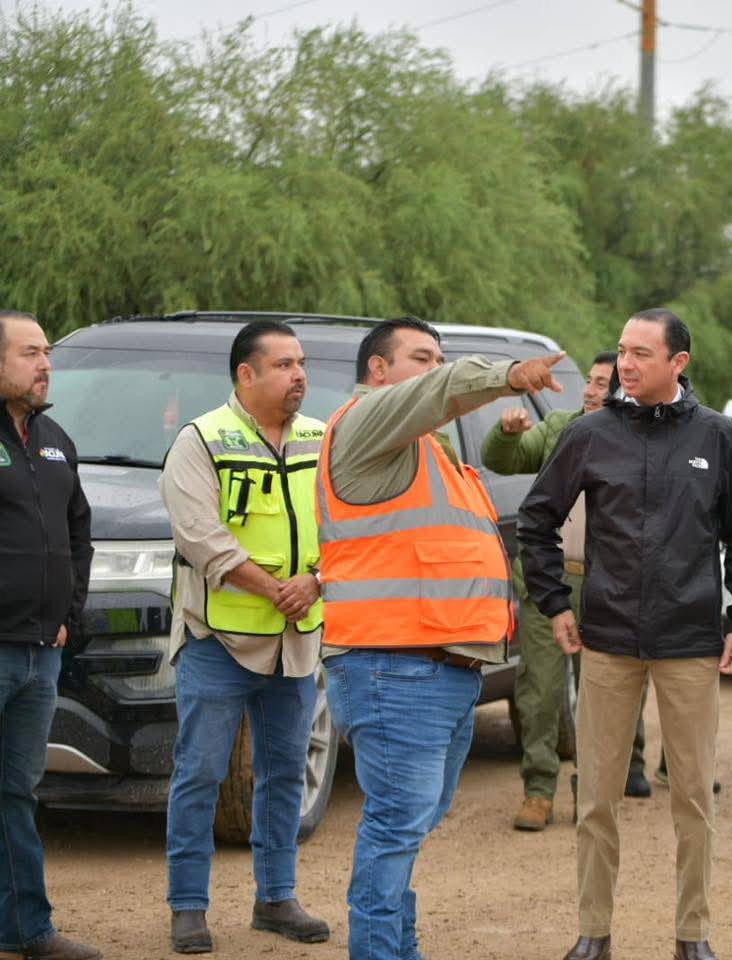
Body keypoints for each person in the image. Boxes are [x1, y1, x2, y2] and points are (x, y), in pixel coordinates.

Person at [518, 308, 732, 960]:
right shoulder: (590, 434)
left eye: (641, 354)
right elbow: (536, 521)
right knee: (596, 798)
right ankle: (593, 933)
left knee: (694, 799)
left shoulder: (718, 437)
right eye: (622, 351)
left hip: (690, 642)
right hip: (606, 640)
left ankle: (693, 936)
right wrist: (554, 602)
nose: (625, 364)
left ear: (678, 362)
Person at [317, 317, 563, 960]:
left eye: (438, 357)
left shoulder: (427, 450)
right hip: (395, 668)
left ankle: (398, 949)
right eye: (420, 357)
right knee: (396, 826)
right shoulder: (365, 421)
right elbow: (443, 390)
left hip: (441, 671)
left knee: (408, 824)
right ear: (378, 371)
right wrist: (508, 375)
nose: (434, 368)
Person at [159, 321, 330, 954]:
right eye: (284, 365)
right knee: (200, 774)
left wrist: (316, 581)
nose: (299, 375)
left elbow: (348, 525)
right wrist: (274, 587)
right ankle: (188, 907)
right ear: (246, 374)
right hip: (219, 641)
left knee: (285, 774)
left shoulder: (321, 438)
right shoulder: (201, 440)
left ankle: (276, 898)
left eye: (301, 363)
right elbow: (200, 537)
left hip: (297, 638)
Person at [481, 351, 653, 832]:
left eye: (602, 383)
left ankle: (592, 791)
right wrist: (506, 433)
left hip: (610, 588)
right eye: (590, 381)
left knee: (604, 695)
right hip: (549, 584)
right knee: (539, 691)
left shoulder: (641, 440)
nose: (591, 391)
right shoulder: (560, 427)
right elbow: (502, 459)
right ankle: (538, 791)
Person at [0, 311, 100, 960]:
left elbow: (78, 533)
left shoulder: (55, 438)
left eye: (46, 353)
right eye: (30, 353)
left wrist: (69, 614)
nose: (45, 364)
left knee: (16, 793)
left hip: (40, 654)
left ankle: (26, 930)